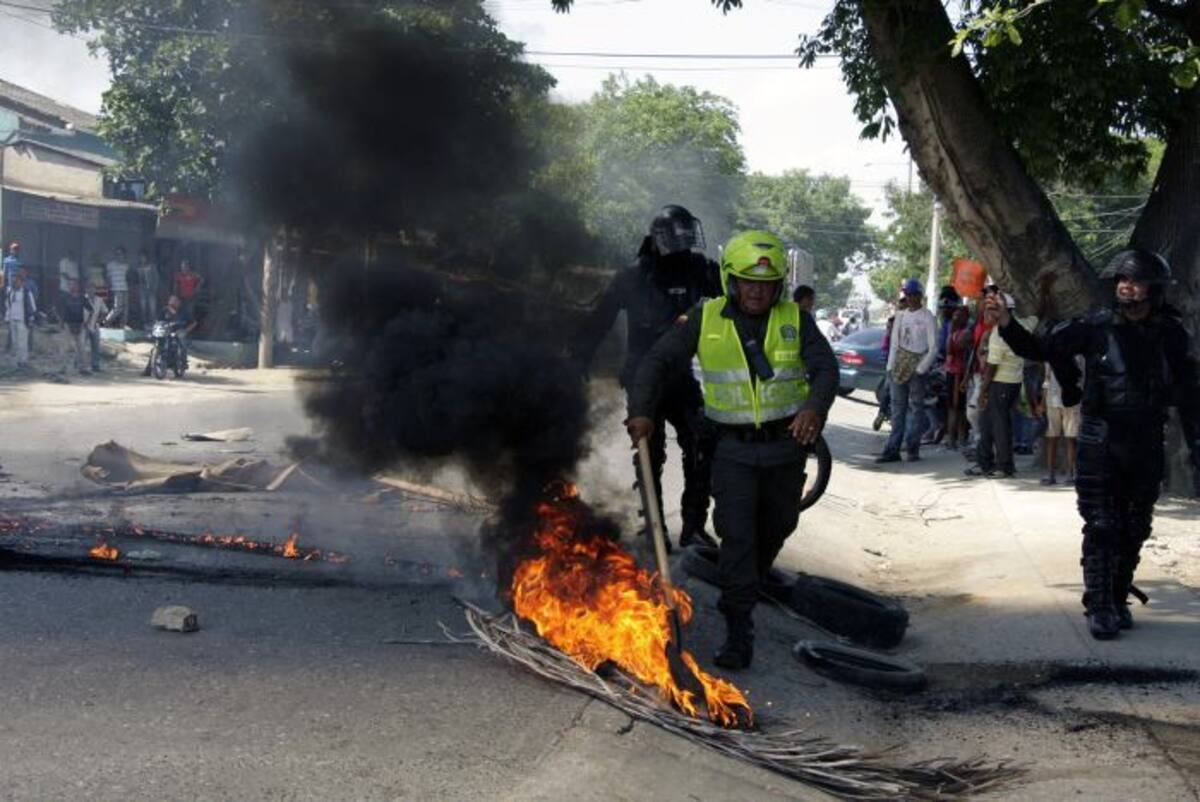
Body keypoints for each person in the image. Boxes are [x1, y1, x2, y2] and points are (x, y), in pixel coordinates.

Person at [626, 229, 838, 669]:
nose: (757, 291)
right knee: (737, 538)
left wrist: (814, 408)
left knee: (776, 529)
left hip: (786, 450)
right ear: (732, 281)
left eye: (766, 283)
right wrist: (642, 410)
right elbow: (656, 362)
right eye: (748, 282)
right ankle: (739, 632)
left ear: (778, 285)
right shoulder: (705, 319)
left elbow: (825, 369)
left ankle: (745, 589)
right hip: (732, 454)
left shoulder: (796, 320)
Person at [989, 249, 1200, 639]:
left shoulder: (1172, 334)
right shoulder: (1096, 327)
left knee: (1135, 526)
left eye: (1134, 281)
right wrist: (1006, 323)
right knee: (1102, 524)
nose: (1126, 286)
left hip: (1147, 441)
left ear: (1154, 289)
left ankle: (1118, 597)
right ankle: (1099, 604)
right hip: (1100, 441)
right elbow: (1042, 349)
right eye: (1121, 280)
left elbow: (1190, 395)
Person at [574, 205, 721, 549]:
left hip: (681, 374)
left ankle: (694, 524)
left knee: (701, 443)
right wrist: (580, 357)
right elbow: (600, 317)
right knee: (649, 452)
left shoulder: (701, 271)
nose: (684, 250)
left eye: (688, 241)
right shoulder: (634, 276)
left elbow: (734, 302)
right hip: (642, 377)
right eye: (678, 241)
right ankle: (654, 528)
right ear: (660, 240)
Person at [967, 289, 1036, 478]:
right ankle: (985, 462)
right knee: (987, 423)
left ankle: (1004, 466)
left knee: (999, 426)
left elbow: (991, 367)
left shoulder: (999, 334)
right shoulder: (1023, 325)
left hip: (1000, 383)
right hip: (1013, 382)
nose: (987, 314)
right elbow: (1036, 317)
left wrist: (983, 391)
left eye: (991, 310)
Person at [876, 279, 937, 463]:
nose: (910, 298)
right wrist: (890, 367)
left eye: (913, 295)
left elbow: (933, 348)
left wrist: (920, 368)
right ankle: (892, 449)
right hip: (898, 366)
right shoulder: (900, 316)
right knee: (897, 409)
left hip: (917, 365)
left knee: (916, 408)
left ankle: (912, 448)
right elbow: (894, 343)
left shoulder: (928, 317)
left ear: (920, 296)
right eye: (907, 295)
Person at [1039, 356, 1083, 485]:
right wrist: (1043, 401)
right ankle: (1052, 473)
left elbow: (1081, 377)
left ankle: (1071, 473)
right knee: (1053, 437)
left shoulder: (1077, 354)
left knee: (1071, 437)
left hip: (1071, 400)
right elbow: (1047, 378)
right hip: (1053, 399)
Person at [943, 305, 972, 450]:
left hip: (956, 372)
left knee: (956, 408)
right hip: (957, 372)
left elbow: (951, 352)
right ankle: (956, 439)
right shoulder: (961, 333)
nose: (955, 318)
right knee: (957, 408)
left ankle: (956, 438)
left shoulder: (957, 333)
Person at [141, 294, 190, 376]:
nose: (172, 302)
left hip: (177, 332)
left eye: (175, 301)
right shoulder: (164, 310)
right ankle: (148, 370)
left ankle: (183, 363)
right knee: (154, 349)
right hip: (165, 332)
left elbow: (193, 322)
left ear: (179, 302)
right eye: (171, 300)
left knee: (182, 345)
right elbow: (158, 321)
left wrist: (186, 330)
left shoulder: (183, 311)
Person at [5, 270, 36, 368]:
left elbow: (32, 307)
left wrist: (31, 319)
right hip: (12, 320)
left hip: (23, 320)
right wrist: (7, 318)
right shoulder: (10, 292)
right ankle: (16, 361)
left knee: (22, 342)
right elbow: (8, 306)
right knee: (14, 342)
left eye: (18, 281)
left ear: (22, 282)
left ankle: (23, 361)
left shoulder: (26, 292)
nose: (16, 282)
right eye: (15, 281)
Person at [59, 278, 90, 373]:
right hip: (68, 325)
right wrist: (61, 322)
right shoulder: (65, 297)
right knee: (65, 347)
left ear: (78, 286)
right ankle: (63, 367)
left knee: (81, 348)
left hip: (80, 325)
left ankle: (83, 368)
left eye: (74, 284)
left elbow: (90, 310)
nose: (72, 286)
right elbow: (61, 311)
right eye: (70, 284)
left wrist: (86, 322)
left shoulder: (82, 298)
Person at [82, 282, 108, 373]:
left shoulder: (99, 300)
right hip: (83, 326)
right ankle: (78, 364)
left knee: (96, 347)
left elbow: (105, 311)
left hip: (94, 325)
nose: (90, 290)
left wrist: (99, 321)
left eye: (92, 288)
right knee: (81, 346)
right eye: (88, 288)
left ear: (95, 290)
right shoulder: (82, 299)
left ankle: (95, 365)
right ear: (86, 290)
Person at [104, 246, 130, 328]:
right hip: (116, 289)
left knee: (125, 309)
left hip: (125, 288)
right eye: (118, 254)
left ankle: (123, 325)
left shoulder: (126, 265)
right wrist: (108, 288)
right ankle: (106, 321)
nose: (120, 255)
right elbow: (108, 278)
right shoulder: (110, 265)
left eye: (121, 254)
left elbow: (128, 277)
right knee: (118, 308)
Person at [135, 249, 159, 329]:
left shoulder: (151, 266)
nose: (142, 258)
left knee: (152, 308)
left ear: (146, 257)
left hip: (151, 290)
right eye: (140, 257)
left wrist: (154, 288)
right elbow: (135, 279)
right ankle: (144, 325)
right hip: (142, 290)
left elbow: (156, 278)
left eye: (143, 257)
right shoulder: (137, 267)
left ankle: (152, 324)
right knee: (143, 308)